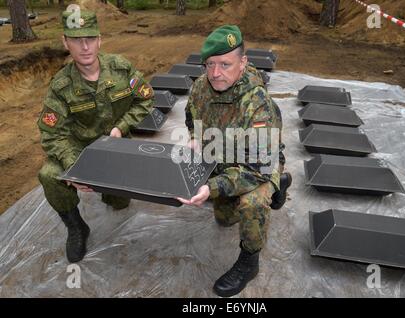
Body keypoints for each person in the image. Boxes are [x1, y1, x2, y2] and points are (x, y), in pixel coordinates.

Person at [180, 25, 292, 297]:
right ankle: (281, 187)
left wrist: (212, 188)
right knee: (224, 218)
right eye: (210, 64)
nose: (216, 73)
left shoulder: (257, 103)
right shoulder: (200, 87)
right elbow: (190, 113)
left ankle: (249, 261)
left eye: (225, 64)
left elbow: (257, 168)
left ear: (242, 63)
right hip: (221, 161)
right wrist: (195, 136)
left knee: (251, 204)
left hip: (258, 168)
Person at [37, 10, 154, 263]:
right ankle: (76, 227)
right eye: (77, 39)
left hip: (116, 147)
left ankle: (110, 190)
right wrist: (76, 168)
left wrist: (121, 127)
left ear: (100, 39)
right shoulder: (61, 87)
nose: (85, 46)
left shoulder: (121, 69)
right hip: (79, 150)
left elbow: (145, 99)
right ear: (65, 42)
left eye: (90, 38)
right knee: (48, 175)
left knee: (119, 203)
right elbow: (52, 135)